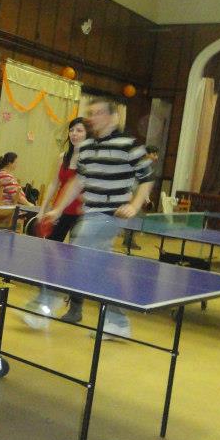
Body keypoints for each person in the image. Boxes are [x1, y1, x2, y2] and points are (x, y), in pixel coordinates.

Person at [42, 96, 154, 340]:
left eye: (99, 113)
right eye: (91, 113)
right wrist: (58, 209)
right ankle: (118, 322)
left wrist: (134, 205)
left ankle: (45, 304)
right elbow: (77, 182)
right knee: (99, 270)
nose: (93, 118)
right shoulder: (87, 148)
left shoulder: (129, 145)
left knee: (78, 250)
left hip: (112, 214)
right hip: (91, 212)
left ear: (114, 117)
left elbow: (146, 178)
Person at [21, 118, 87, 329]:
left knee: (77, 261)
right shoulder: (63, 158)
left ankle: (75, 307)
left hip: (82, 214)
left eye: (79, 130)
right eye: (72, 130)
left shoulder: (90, 160)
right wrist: (42, 210)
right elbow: (54, 184)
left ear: (88, 134)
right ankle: (45, 297)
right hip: (60, 212)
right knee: (50, 256)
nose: (74, 134)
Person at [121, 144, 159, 251]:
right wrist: (131, 195)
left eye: (157, 155)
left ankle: (128, 240)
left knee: (133, 219)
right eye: (154, 154)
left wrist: (147, 200)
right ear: (147, 154)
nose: (156, 157)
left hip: (136, 195)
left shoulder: (147, 166)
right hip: (133, 195)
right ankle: (129, 241)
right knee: (133, 219)